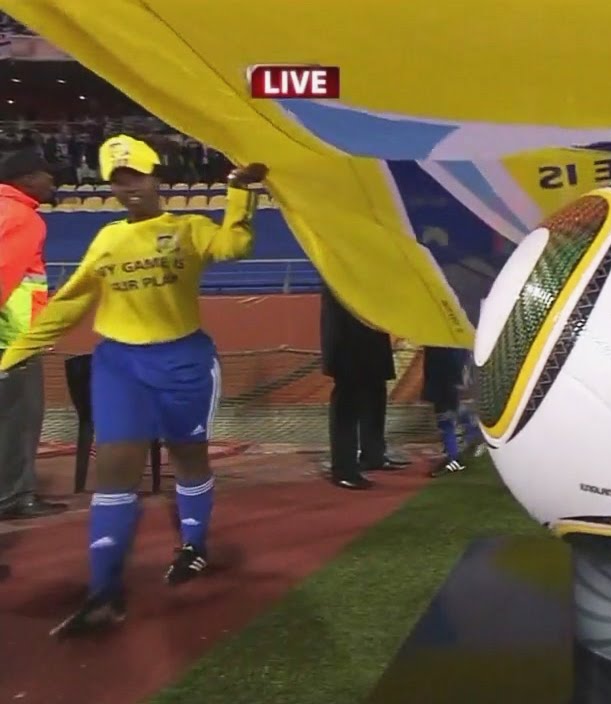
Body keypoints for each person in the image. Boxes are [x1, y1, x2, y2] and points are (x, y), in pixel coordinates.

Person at [0, 135, 268, 637]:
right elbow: (69, 303)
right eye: (118, 182)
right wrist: (12, 356)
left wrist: (238, 192)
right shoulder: (107, 239)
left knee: (188, 456)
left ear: (156, 177)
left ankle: (194, 546)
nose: (129, 189)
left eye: (137, 177)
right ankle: (104, 592)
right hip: (120, 365)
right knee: (114, 473)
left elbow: (236, 246)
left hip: (183, 361)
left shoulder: (189, 227)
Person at [0, 150, 67, 520]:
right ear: (25, 179)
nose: (52, 182)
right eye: (46, 175)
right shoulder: (23, 217)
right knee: (20, 420)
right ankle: (14, 496)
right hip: (14, 340)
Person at [320, 283, 409, 490]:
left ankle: (374, 455)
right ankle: (344, 469)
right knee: (347, 403)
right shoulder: (337, 272)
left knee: (376, 394)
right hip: (346, 341)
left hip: (371, 336)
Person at [422, 345, 481, 477]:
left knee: (445, 414)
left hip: (445, 369)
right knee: (449, 409)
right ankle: (474, 429)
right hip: (447, 366)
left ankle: (454, 457)